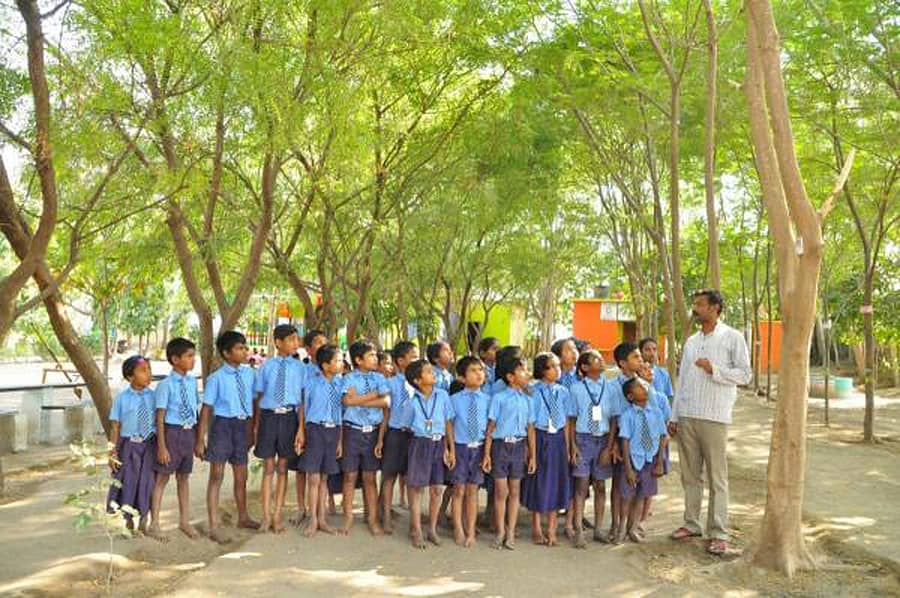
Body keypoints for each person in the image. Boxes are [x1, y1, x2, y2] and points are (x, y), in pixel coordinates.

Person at [670, 289, 751, 556]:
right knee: (690, 475)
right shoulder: (692, 341)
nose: (696, 308)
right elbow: (682, 380)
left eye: (701, 304)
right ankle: (691, 524)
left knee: (717, 477)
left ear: (715, 308)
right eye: (694, 304)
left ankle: (718, 532)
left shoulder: (732, 337)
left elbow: (745, 375)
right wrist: (674, 416)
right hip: (688, 415)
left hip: (715, 416)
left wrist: (714, 369)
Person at [196, 331, 260, 543]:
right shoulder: (216, 378)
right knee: (217, 475)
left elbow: (255, 402)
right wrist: (200, 439)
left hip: (243, 426)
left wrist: (253, 428)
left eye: (245, 347)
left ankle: (243, 517)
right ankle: (213, 525)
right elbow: (206, 409)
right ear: (226, 353)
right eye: (239, 348)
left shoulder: (250, 374)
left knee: (241, 475)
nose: (244, 351)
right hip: (222, 426)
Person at [252, 324, 304, 534]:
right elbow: (259, 396)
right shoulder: (266, 366)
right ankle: (265, 516)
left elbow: (302, 400)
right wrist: (257, 425)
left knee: (283, 467)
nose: (295, 343)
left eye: (296, 339)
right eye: (291, 339)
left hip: (289, 418)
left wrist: (301, 428)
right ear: (278, 342)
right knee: (268, 467)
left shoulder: (300, 368)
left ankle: (277, 515)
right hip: (269, 418)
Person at [399, 359, 455, 548]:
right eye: (429, 372)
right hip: (420, 443)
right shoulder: (411, 402)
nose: (434, 374)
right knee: (417, 488)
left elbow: (448, 423)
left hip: (439, 443)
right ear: (417, 380)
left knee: (437, 488)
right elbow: (405, 426)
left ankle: (432, 528)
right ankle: (416, 529)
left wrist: (450, 448)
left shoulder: (443, 396)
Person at [482, 355, 536, 550]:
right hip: (500, 447)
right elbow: (491, 427)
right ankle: (500, 531)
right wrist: (487, 454)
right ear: (510, 377)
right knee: (501, 491)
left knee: (515, 491)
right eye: (522, 370)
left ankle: (511, 531)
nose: (527, 374)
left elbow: (530, 429)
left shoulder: (528, 400)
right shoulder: (499, 398)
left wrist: (532, 455)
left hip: (519, 447)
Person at [568, 349, 621, 548]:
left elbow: (614, 418)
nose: (601, 361)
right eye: (596, 359)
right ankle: (578, 530)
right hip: (583, 439)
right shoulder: (576, 389)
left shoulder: (611, 387)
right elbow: (571, 419)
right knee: (581, 485)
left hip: (603, 439)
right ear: (584, 367)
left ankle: (598, 529)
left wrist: (609, 447)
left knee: (600, 485)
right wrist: (573, 445)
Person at [148, 338, 200, 541]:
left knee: (184, 477)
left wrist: (198, 438)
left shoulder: (192, 382)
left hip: (188, 432)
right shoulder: (165, 385)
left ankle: (184, 520)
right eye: (189, 356)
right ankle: (154, 523)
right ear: (175, 359)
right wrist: (162, 446)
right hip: (172, 433)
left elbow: (195, 409)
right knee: (162, 478)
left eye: (193, 355)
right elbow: (160, 416)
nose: (193, 359)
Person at [522, 352, 574, 547]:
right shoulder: (533, 391)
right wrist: (531, 451)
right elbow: (530, 423)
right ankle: (536, 526)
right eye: (552, 366)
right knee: (539, 480)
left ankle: (552, 529)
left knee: (557, 481)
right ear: (542, 370)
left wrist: (567, 447)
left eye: (558, 366)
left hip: (558, 438)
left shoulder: (563, 392)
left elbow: (567, 422)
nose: (557, 370)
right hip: (540, 435)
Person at [340, 339, 390, 535]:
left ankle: (372, 519)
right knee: (350, 476)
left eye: (375, 355)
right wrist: (374, 395)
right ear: (358, 360)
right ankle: (348, 517)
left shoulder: (379, 378)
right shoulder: (349, 378)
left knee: (370, 477)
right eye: (371, 355)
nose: (375, 358)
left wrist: (358, 400)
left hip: (373, 432)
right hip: (352, 431)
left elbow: (386, 402)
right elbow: (346, 400)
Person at [297, 344, 345, 537]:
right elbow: (303, 407)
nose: (341, 363)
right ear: (325, 365)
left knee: (325, 477)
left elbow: (341, 413)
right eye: (337, 360)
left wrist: (340, 440)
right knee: (314, 477)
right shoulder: (312, 383)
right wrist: (301, 431)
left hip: (333, 430)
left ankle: (322, 519)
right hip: (315, 429)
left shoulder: (341, 384)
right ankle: (313, 520)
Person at [107, 355, 157, 535]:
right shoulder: (122, 399)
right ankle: (127, 520)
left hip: (149, 445)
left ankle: (144, 519)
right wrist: (112, 452)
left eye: (149, 369)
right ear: (130, 376)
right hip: (128, 446)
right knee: (128, 483)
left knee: (147, 483)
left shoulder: (154, 397)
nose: (148, 374)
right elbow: (115, 426)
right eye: (143, 370)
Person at [616, 377, 667, 543]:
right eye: (638, 387)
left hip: (649, 460)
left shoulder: (657, 413)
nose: (644, 387)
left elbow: (662, 437)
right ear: (630, 396)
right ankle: (621, 528)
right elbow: (624, 441)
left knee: (641, 496)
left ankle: (633, 528)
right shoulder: (627, 416)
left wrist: (660, 461)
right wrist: (628, 468)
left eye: (644, 385)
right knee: (627, 496)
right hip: (633, 459)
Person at [447, 355, 490, 547]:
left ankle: (471, 531)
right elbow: (449, 425)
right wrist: (450, 449)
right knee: (458, 490)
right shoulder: (454, 400)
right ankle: (458, 528)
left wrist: (487, 453)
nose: (479, 374)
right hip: (460, 447)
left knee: (473, 491)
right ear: (462, 377)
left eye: (481, 370)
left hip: (478, 448)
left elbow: (490, 429)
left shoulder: (488, 400)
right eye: (473, 371)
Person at [380, 340, 419, 534]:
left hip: (415, 435)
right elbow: (386, 411)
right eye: (413, 357)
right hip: (395, 434)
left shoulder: (419, 384)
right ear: (401, 361)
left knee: (412, 478)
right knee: (389, 476)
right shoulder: (390, 383)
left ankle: (414, 523)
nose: (417, 360)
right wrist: (381, 438)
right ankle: (386, 516)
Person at [291, 329, 328, 526]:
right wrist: (300, 428)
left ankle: (321, 511)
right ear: (308, 348)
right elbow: (300, 400)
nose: (323, 345)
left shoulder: (332, 371)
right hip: (301, 422)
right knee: (301, 467)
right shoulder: (302, 370)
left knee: (321, 470)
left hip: (323, 427)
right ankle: (301, 508)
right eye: (318, 342)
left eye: (325, 342)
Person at [639, 337, 674, 404]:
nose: (652, 353)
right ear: (641, 352)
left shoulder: (663, 373)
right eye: (647, 350)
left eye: (654, 349)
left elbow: (669, 397)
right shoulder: (636, 373)